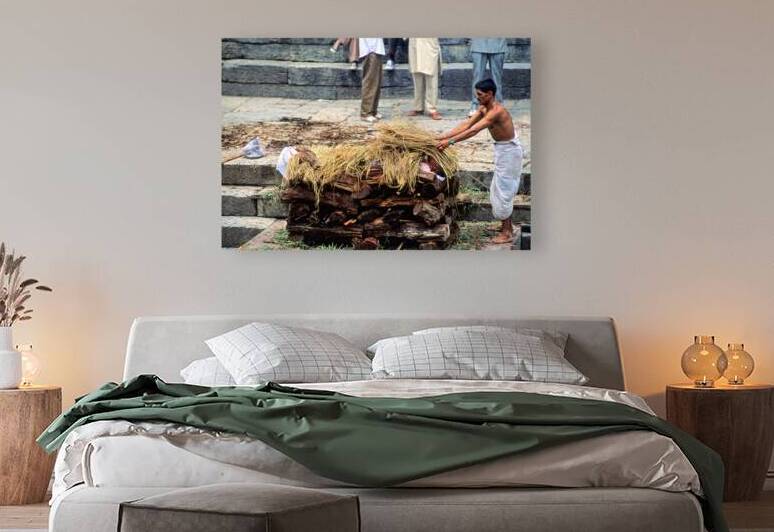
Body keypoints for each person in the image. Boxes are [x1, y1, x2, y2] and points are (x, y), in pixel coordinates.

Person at [436, 79, 522, 244]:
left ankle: (507, 232)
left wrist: (450, 142)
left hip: (510, 152)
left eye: (480, 95)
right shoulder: (483, 108)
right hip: (502, 150)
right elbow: (467, 124)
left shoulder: (496, 111)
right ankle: (505, 227)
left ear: (490, 94)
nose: (477, 98)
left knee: (504, 191)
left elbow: (474, 131)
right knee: (497, 189)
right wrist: (442, 137)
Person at [469, 38, 507, 116]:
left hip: (498, 43)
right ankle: (475, 105)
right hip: (478, 43)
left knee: (497, 78)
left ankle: (498, 105)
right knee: (477, 77)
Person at [407, 38, 442, 120]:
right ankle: (418, 107)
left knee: (431, 77)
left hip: (429, 43)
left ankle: (432, 108)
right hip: (415, 42)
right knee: (417, 77)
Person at [358, 38, 385, 122]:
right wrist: (371, 50)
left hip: (376, 49)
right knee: (370, 82)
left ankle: (373, 110)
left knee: (376, 82)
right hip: (370, 50)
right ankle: (366, 112)